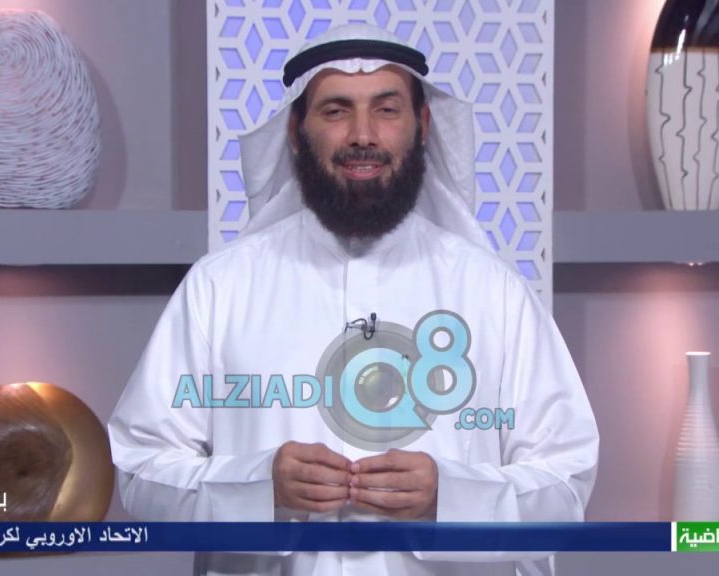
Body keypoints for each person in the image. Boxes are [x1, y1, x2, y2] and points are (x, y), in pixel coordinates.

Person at [108, 23, 599, 576]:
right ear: (297, 132)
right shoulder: (220, 289)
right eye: (336, 110)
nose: (363, 135)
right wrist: (259, 487)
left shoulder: (494, 293)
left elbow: (566, 483)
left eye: (386, 110)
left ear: (422, 126)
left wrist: (450, 495)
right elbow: (140, 471)